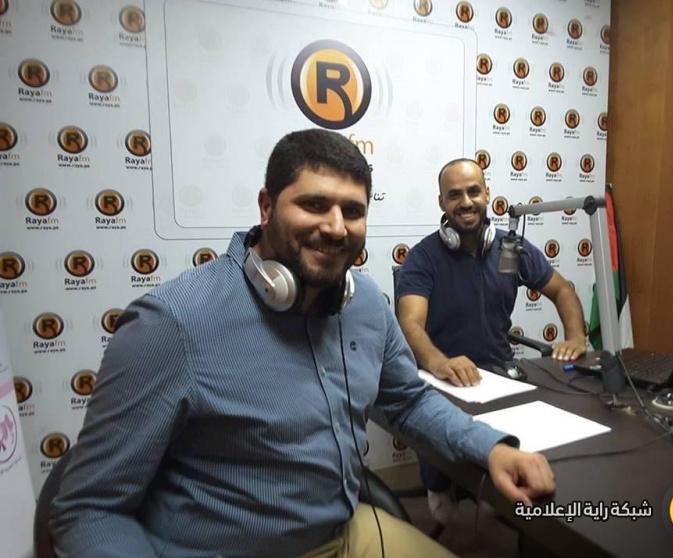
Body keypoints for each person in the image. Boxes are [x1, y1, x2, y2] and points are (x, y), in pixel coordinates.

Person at [49, 131, 555, 558]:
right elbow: (88, 511)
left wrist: (490, 447)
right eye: (314, 205)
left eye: (352, 211)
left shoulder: (365, 304)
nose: (335, 227)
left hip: (345, 533)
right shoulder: (171, 324)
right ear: (267, 206)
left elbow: (407, 400)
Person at [396, 158, 585, 523]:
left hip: (499, 373)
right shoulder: (423, 257)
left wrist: (576, 337)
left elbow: (562, 290)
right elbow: (410, 322)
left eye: (473, 191)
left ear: (487, 194)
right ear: (441, 203)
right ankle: (440, 484)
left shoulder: (510, 250)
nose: (465, 201)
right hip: (443, 381)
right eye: (455, 195)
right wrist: (438, 362)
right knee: (446, 497)